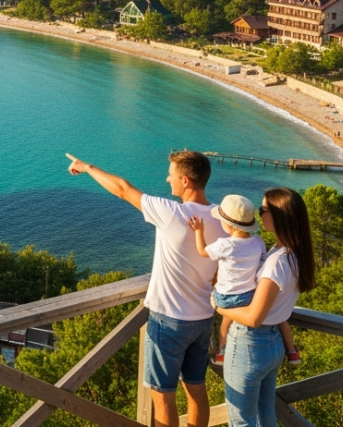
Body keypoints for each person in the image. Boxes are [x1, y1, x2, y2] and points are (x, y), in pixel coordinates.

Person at [66, 151, 224, 427]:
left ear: (185, 181)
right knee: (197, 390)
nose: (167, 179)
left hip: (170, 320)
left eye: (171, 175)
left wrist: (88, 167)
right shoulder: (222, 217)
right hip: (203, 319)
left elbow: (124, 189)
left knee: (163, 397)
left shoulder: (173, 213)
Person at [217, 187, 317, 427]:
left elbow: (253, 317)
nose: (259, 214)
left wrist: (217, 306)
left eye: (263, 209)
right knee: (265, 417)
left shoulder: (277, 263)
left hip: (250, 343)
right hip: (273, 345)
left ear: (278, 215)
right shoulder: (292, 255)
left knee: (241, 421)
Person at [187, 195, 300, 366]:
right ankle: (292, 352)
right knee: (282, 320)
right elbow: (260, 262)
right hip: (249, 295)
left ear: (228, 225)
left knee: (224, 324)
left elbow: (203, 251)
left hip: (228, 300)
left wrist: (198, 231)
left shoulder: (226, 244)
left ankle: (222, 353)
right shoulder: (260, 242)